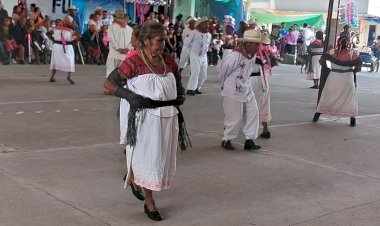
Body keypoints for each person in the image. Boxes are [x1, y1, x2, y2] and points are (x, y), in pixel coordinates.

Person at [103, 21, 187, 221]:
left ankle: (134, 177)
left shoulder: (168, 60)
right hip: (144, 119)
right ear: (146, 41)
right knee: (149, 158)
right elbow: (109, 83)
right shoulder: (134, 61)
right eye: (159, 41)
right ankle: (149, 202)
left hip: (167, 118)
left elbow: (177, 80)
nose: (162, 45)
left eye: (164, 41)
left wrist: (181, 94)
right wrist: (131, 97)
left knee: (160, 158)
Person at [219, 29, 263, 151]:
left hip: (246, 86)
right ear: (247, 44)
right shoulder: (235, 55)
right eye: (255, 44)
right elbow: (224, 71)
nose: (258, 47)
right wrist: (223, 85)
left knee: (253, 112)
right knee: (235, 117)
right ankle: (227, 139)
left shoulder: (252, 55)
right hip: (233, 87)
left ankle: (249, 139)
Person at [313, 37, 362, 127]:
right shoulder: (352, 53)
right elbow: (359, 64)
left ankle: (317, 115)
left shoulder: (331, 52)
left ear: (337, 43)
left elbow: (321, 61)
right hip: (348, 77)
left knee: (327, 96)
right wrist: (354, 71)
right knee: (349, 98)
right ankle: (352, 119)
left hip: (334, 76)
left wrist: (327, 68)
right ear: (348, 44)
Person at [250, 34, 273, 139]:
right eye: (263, 44)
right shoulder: (250, 53)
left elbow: (267, 67)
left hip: (262, 80)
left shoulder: (264, 54)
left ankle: (265, 129)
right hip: (253, 80)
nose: (265, 46)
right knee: (252, 104)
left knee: (263, 103)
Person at [183, 16, 211, 96]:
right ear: (200, 24)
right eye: (205, 24)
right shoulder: (194, 33)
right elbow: (187, 43)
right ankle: (190, 89)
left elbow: (207, 45)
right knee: (195, 72)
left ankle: (197, 88)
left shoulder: (209, 35)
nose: (207, 25)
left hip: (204, 56)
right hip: (195, 55)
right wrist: (190, 53)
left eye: (207, 24)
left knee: (203, 74)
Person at [49, 15, 80, 84]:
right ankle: (69, 76)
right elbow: (77, 38)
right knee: (70, 61)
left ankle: (52, 76)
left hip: (56, 46)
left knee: (55, 61)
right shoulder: (72, 30)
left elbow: (49, 34)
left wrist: (56, 40)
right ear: (69, 22)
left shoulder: (56, 28)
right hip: (67, 46)